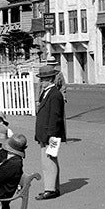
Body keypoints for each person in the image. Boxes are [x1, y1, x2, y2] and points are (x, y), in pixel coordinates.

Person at [33, 65, 67, 199]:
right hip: (46, 135)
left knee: (49, 161)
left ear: (49, 79)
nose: (41, 82)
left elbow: (55, 118)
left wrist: (50, 135)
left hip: (51, 135)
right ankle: (52, 187)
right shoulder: (47, 93)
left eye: (43, 79)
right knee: (48, 160)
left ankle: (51, 189)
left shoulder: (55, 94)